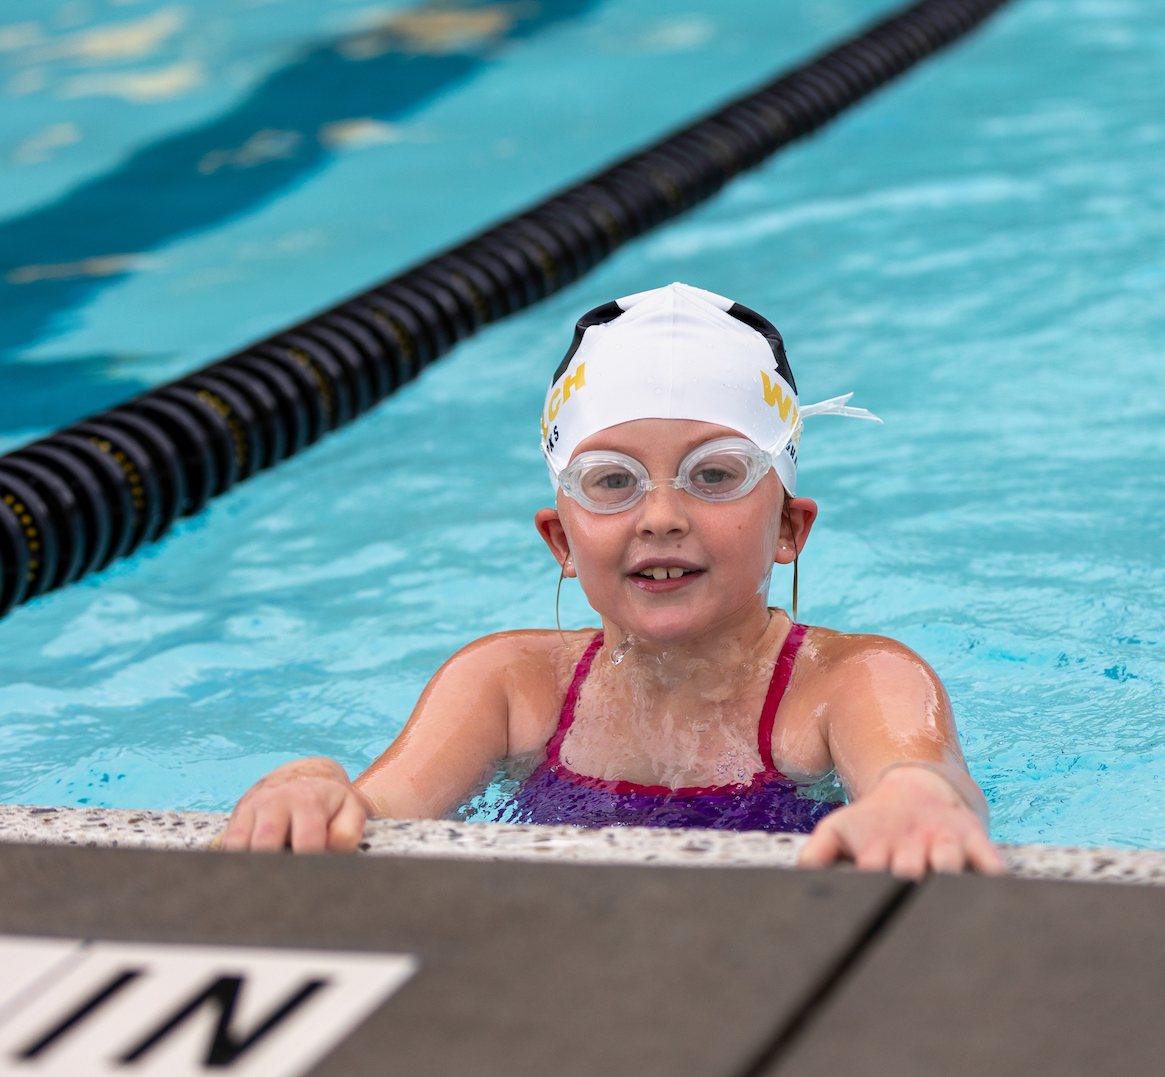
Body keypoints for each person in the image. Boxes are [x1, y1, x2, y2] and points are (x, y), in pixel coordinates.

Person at [220, 282, 1003, 879]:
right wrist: (313, 782)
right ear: (562, 538)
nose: (661, 515)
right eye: (612, 481)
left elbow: (920, 771)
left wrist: (915, 799)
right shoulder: (508, 684)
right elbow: (377, 811)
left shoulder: (852, 680)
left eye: (715, 474)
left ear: (790, 528)